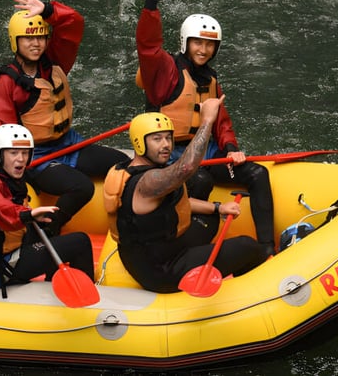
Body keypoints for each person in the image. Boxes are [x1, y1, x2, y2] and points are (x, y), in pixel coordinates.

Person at [135, 0, 275, 256]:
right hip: (171, 153)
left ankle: (266, 249)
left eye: (210, 44)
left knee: (258, 174)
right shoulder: (166, 71)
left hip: (207, 152)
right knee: (200, 179)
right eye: (198, 42)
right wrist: (152, 1)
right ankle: (184, 246)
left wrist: (231, 147)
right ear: (186, 42)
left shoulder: (211, 78)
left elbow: (221, 121)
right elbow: (148, 46)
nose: (203, 49)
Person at [0, 0, 126, 235]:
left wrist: (49, 10)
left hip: (67, 144)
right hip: (35, 158)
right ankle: (49, 231)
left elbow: (75, 23)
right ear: (14, 41)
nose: (36, 44)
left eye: (40, 37)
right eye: (28, 39)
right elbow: (3, 132)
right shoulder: (6, 83)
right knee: (81, 187)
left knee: (122, 164)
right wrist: (18, 167)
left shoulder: (55, 63)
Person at [102, 99, 267, 293]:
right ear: (139, 143)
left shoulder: (130, 170)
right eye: (156, 139)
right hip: (161, 270)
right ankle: (245, 298)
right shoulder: (147, 183)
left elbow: (180, 203)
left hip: (159, 250)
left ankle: (202, 256)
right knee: (248, 247)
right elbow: (187, 167)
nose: (165, 145)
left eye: (168, 138)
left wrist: (218, 207)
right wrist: (207, 121)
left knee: (210, 219)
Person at [0, 124, 95, 294]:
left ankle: (52, 284)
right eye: (13, 153)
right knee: (80, 242)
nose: (21, 159)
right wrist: (28, 214)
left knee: (49, 227)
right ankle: (87, 300)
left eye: (25, 153)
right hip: (2, 266)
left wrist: (32, 218)